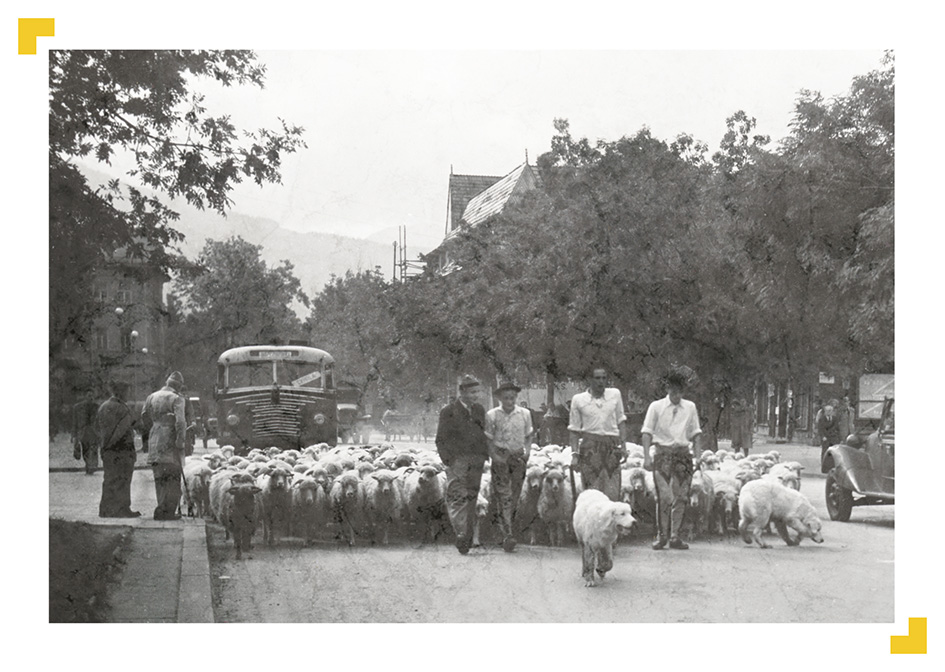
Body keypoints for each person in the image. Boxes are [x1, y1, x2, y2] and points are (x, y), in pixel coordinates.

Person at [641, 370, 703, 550]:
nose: (676, 395)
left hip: (683, 454)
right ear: (667, 389)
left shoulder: (690, 407)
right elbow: (647, 432)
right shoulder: (656, 407)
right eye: (673, 391)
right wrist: (646, 456)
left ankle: (675, 535)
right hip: (663, 454)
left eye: (680, 391)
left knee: (682, 496)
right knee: (665, 496)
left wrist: (698, 456)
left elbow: (696, 433)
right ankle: (662, 536)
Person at [435, 374, 489, 555]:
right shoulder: (448, 411)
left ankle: (468, 535)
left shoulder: (479, 410)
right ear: (462, 392)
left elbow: (483, 434)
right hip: (457, 461)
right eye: (472, 392)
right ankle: (461, 534)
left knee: (472, 497)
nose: (476, 395)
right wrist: (449, 461)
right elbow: (440, 439)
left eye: (477, 392)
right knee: (457, 497)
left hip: (476, 461)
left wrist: (484, 455)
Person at [485, 381, 534, 552]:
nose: (509, 400)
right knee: (503, 495)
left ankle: (509, 530)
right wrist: (495, 457)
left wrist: (527, 452)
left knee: (515, 495)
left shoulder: (525, 414)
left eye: (512, 397)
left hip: (518, 458)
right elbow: (489, 440)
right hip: (501, 457)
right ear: (499, 398)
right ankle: (506, 534)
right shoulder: (492, 415)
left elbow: (528, 435)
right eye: (506, 397)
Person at [568, 368, 627, 502]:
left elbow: (621, 421)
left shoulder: (615, 394)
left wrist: (624, 446)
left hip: (612, 447)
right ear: (590, 380)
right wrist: (574, 455)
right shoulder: (578, 400)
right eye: (597, 378)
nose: (601, 381)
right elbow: (574, 430)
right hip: (590, 447)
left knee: (612, 493)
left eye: (604, 378)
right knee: (592, 494)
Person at [139, 371, 187, 521]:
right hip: (170, 440)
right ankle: (169, 511)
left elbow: (144, 416)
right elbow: (180, 422)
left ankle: (161, 507)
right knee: (173, 476)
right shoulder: (177, 398)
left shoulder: (151, 396)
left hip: (155, 437)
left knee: (159, 477)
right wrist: (180, 440)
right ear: (178, 386)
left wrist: (152, 430)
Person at [95, 380, 140, 518]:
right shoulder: (123, 409)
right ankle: (122, 509)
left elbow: (97, 428)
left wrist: (104, 446)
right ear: (121, 392)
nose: (128, 394)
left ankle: (105, 509)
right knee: (123, 480)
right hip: (122, 450)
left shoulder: (103, 406)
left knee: (109, 479)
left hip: (107, 450)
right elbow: (125, 430)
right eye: (127, 391)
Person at [72, 389, 100, 475]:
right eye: (89, 396)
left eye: (92, 396)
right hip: (83, 432)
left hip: (94, 432)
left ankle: (92, 466)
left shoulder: (97, 407)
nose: (90, 398)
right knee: (85, 449)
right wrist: (73, 435)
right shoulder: (78, 407)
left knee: (94, 449)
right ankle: (88, 465)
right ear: (85, 397)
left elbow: (100, 421)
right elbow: (75, 422)